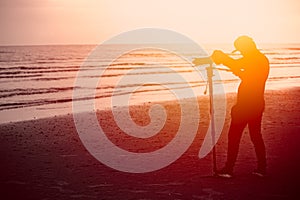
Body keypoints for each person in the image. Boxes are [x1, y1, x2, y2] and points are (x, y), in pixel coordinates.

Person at [211, 36, 270, 178]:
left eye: (241, 49)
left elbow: (243, 71)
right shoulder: (261, 58)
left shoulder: (254, 59)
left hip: (246, 104)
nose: (241, 52)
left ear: (246, 46)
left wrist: (224, 59)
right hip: (257, 103)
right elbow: (241, 68)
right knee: (255, 136)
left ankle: (229, 169)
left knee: (234, 136)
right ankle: (262, 168)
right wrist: (229, 64)